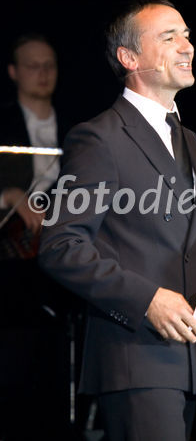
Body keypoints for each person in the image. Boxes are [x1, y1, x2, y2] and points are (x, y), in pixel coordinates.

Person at [39, 0, 196, 441]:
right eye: (169, 36)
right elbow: (61, 245)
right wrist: (147, 299)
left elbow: (186, 244)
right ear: (129, 57)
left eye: (188, 35)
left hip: (189, 363)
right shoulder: (99, 138)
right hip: (135, 356)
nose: (187, 46)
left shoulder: (190, 141)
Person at [0, 34, 73, 440]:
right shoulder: (3, 122)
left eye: (50, 65)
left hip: (62, 267)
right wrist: (7, 195)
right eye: (32, 65)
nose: (43, 73)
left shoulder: (80, 127)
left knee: (54, 367)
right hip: (12, 270)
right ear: (13, 72)